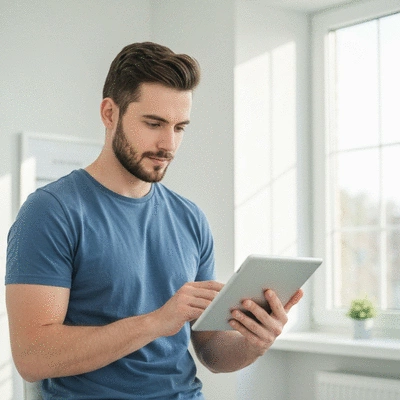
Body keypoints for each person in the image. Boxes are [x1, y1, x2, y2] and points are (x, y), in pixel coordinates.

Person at [5, 42, 303, 399]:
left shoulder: (190, 218)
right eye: (154, 123)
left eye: (180, 127)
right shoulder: (51, 211)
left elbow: (211, 352)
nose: (168, 144)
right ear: (110, 113)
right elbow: (33, 357)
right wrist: (157, 321)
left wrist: (256, 340)